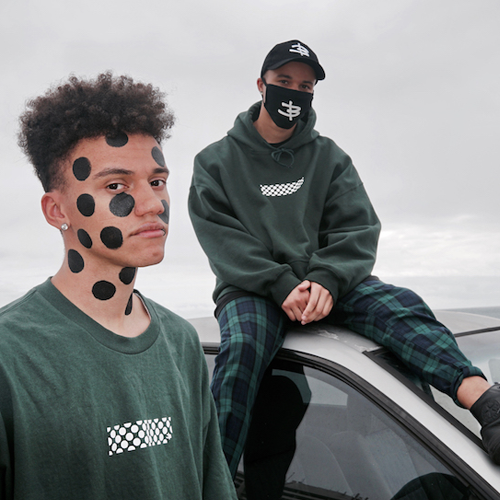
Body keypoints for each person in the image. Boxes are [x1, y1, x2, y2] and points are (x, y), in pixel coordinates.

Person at [188, 39, 500, 477]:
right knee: (242, 350)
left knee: (401, 306)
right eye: (283, 82)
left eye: (305, 85)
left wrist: (327, 280)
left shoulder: (329, 157)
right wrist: (280, 284)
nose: (293, 93)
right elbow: (222, 237)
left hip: (327, 281)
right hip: (254, 287)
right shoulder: (216, 161)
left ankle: (486, 403)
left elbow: (357, 228)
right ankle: (211, 479)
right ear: (261, 85)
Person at [0, 73, 237, 499]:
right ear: (56, 211)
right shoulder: (9, 356)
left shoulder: (181, 342)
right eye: (116, 186)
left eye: (157, 181)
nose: (152, 205)